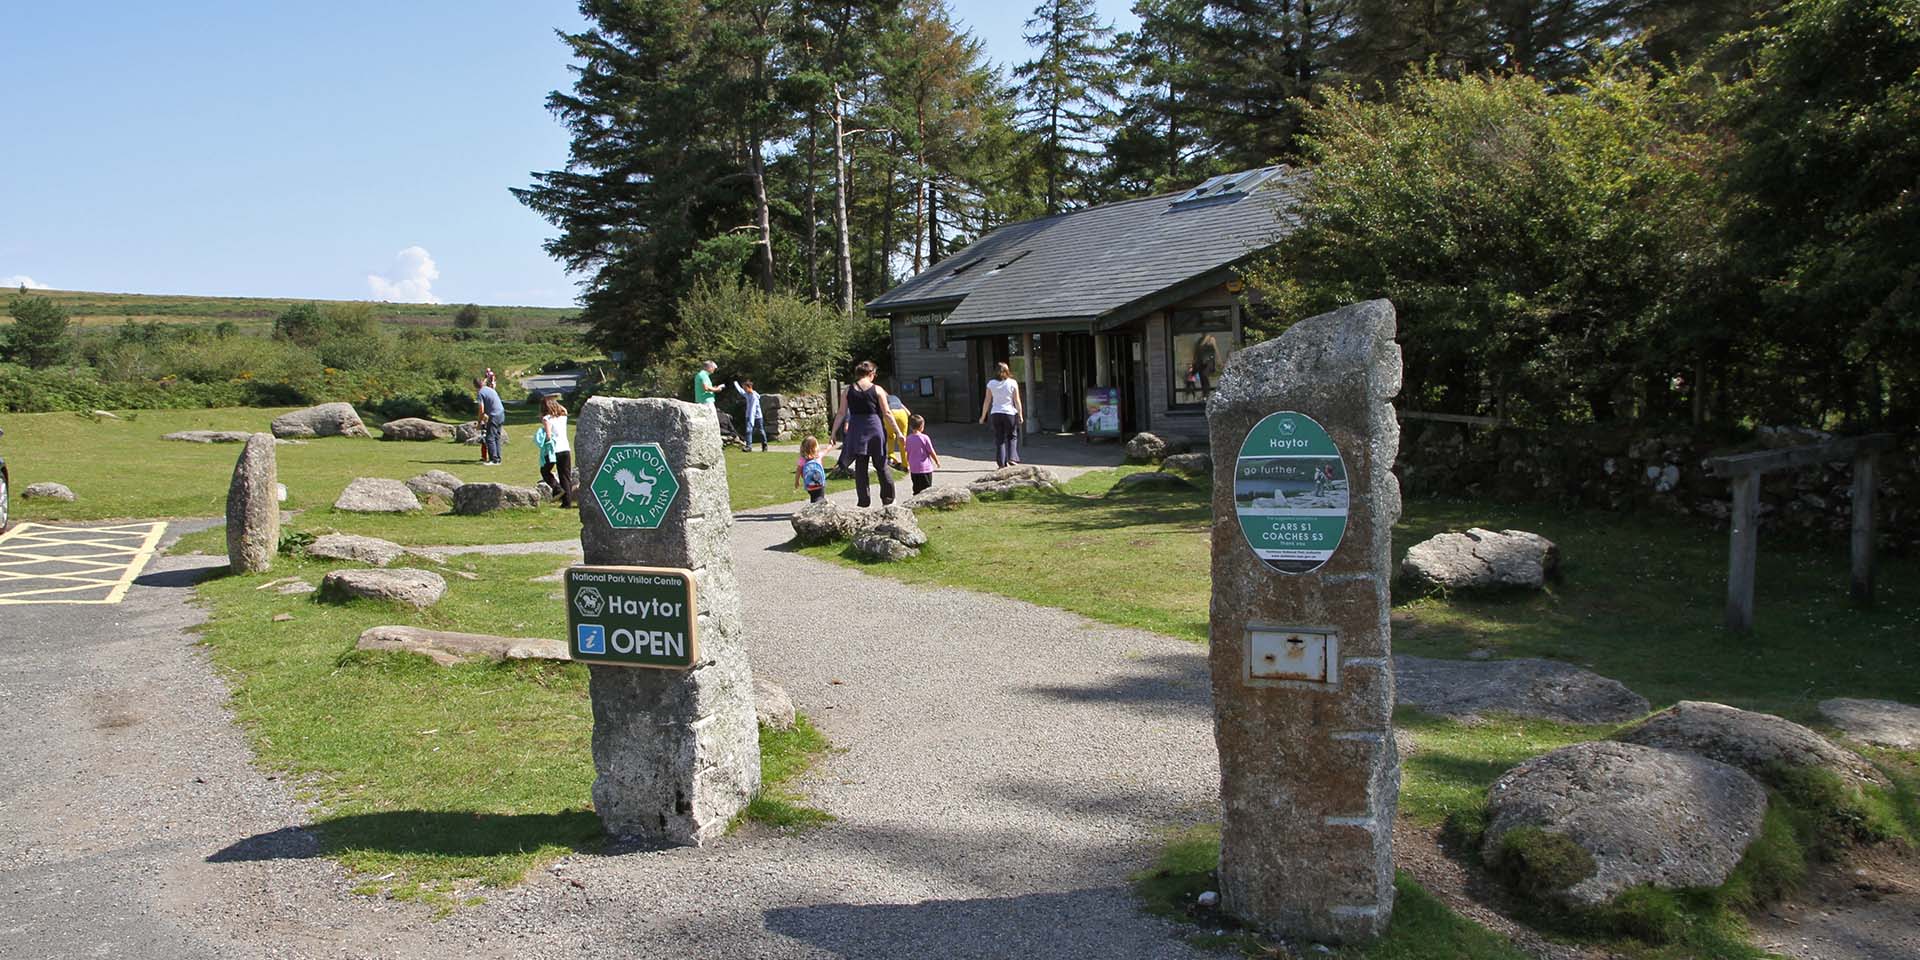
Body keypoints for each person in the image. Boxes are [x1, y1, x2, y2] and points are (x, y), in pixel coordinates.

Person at [831, 360, 901, 508]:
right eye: (874, 374)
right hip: (874, 427)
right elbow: (887, 413)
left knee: (861, 467)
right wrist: (898, 432)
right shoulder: (878, 390)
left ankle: (864, 502)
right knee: (881, 465)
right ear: (870, 374)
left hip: (857, 429)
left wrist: (833, 433)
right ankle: (889, 500)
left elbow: (841, 413)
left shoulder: (848, 390)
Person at [978, 361, 1024, 469]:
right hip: (1009, 413)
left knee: (1000, 438)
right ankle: (1012, 458)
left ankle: (1001, 463)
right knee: (1012, 436)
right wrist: (1020, 415)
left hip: (996, 413)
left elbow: (987, 401)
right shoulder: (1012, 383)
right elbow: (1017, 401)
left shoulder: (991, 384)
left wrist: (983, 416)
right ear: (1007, 371)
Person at [539, 394, 575, 508]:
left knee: (545, 470)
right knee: (565, 476)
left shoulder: (547, 419)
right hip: (565, 448)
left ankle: (557, 488)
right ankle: (567, 502)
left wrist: (543, 438)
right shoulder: (563, 416)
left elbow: (549, 436)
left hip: (554, 450)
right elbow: (564, 410)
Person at [694, 360, 740, 441]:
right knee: (712, 420)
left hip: (701, 400)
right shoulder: (704, 375)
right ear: (709, 367)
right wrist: (717, 389)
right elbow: (706, 388)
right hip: (706, 401)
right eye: (713, 368)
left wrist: (714, 388)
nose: (713, 370)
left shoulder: (699, 375)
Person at [905, 414, 940, 494]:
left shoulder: (908, 438)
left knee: (916, 488)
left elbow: (908, 452)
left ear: (910, 427)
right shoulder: (925, 438)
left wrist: (907, 463)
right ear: (921, 426)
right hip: (925, 468)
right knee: (927, 489)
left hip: (914, 468)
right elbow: (931, 451)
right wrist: (936, 461)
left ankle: (915, 502)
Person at [474, 376, 505, 466]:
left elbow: (481, 409)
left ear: (475, 386)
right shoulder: (489, 389)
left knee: (490, 437)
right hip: (501, 413)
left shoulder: (480, 393)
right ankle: (498, 458)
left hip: (494, 415)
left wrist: (479, 422)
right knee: (496, 437)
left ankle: (493, 459)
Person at [733, 378, 767, 452]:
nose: (744, 390)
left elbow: (753, 410)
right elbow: (741, 391)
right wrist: (735, 383)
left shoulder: (754, 397)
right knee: (748, 431)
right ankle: (749, 447)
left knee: (761, 431)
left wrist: (751, 421)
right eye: (744, 388)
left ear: (749, 387)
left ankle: (764, 445)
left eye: (745, 388)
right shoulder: (747, 394)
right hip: (748, 416)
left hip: (757, 416)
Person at [794, 436, 828, 503]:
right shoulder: (818, 456)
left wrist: (797, 481)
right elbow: (826, 450)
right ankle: (820, 506)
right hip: (820, 483)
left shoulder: (802, 459)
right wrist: (831, 445)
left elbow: (798, 471)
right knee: (820, 496)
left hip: (809, 484)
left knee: (813, 497)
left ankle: (814, 506)